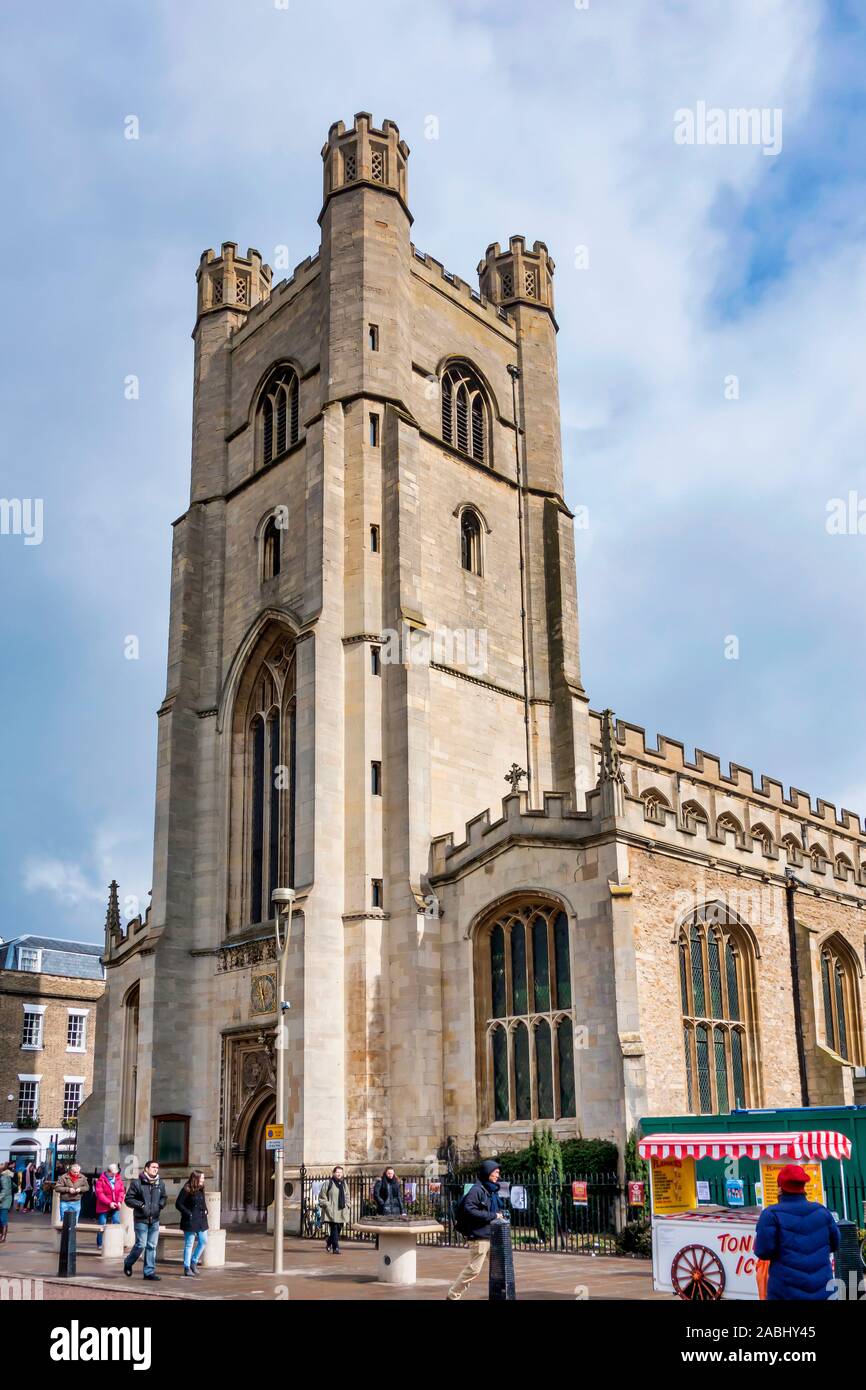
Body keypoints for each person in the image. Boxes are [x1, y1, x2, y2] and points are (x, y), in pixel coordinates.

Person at [754, 1163, 841, 1300]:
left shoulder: (771, 1214)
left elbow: (763, 1252)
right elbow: (835, 1244)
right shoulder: (822, 1212)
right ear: (803, 1186)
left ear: (780, 1187)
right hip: (823, 1289)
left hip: (785, 1291)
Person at [447, 1159, 506, 1301]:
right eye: (495, 1172)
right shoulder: (477, 1190)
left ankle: (499, 1294)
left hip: (492, 1235)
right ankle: (452, 1296)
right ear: (488, 1173)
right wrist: (493, 1216)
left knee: (501, 1268)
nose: (498, 1175)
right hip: (479, 1237)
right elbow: (469, 1209)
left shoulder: (491, 1190)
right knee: (473, 1270)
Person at [124, 1160, 167, 1281]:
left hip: (155, 1219)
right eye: (153, 1167)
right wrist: (141, 1205)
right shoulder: (137, 1183)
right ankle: (128, 1262)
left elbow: (164, 1197)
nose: (155, 1169)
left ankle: (149, 1272)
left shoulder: (160, 1183)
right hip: (141, 1219)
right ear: (146, 1169)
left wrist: (160, 1205)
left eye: (157, 1167)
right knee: (141, 1244)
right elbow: (128, 1199)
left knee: (152, 1246)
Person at [175, 1170, 209, 1277]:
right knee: (189, 1243)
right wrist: (188, 1213)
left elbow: (203, 1202)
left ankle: (194, 1261)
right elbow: (178, 1204)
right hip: (190, 1220)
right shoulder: (186, 1189)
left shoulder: (201, 1188)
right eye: (202, 1178)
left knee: (204, 1241)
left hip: (201, 1220)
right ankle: (187, 1266)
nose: (203, 1180)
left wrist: (206, 1210)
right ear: (196, 1178)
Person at [318, 1165, 350, 1254]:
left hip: (341, 1210)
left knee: (339, 1228)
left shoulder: (344, 1184)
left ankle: (329, 1242)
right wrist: (327, 1205)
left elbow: (347, 1195)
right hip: (331, 1210)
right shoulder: (328, 1183)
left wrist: (348, 1204)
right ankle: (336, 1248)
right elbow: (322, 1196)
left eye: (340, 1172)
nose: (339, 1174)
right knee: (334, 1228)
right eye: (337, 1172)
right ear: (333, 1173)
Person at [94, 1163, 126, 1249]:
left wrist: (119, 1201)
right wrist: (109, 1203)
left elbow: (121, 1191)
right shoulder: (101, 1180)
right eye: (113, 1173)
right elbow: (100, 1194)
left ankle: (116, 1242)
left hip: (115, 1205)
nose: (114, 1175)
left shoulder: (118, 1179)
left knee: (116, 1222)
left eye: (115, 1173)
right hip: (103, 1205)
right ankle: (100, 1243)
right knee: (102, 1224)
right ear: (108, 1172)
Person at [0, 1164, 13, 1243]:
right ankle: (1, 1235)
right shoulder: (2, 1177)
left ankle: (3, 1237)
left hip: (4, 1202)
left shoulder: (4, 1177)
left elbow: (5, 1190)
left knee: (3, 1220)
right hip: (2, 1201)